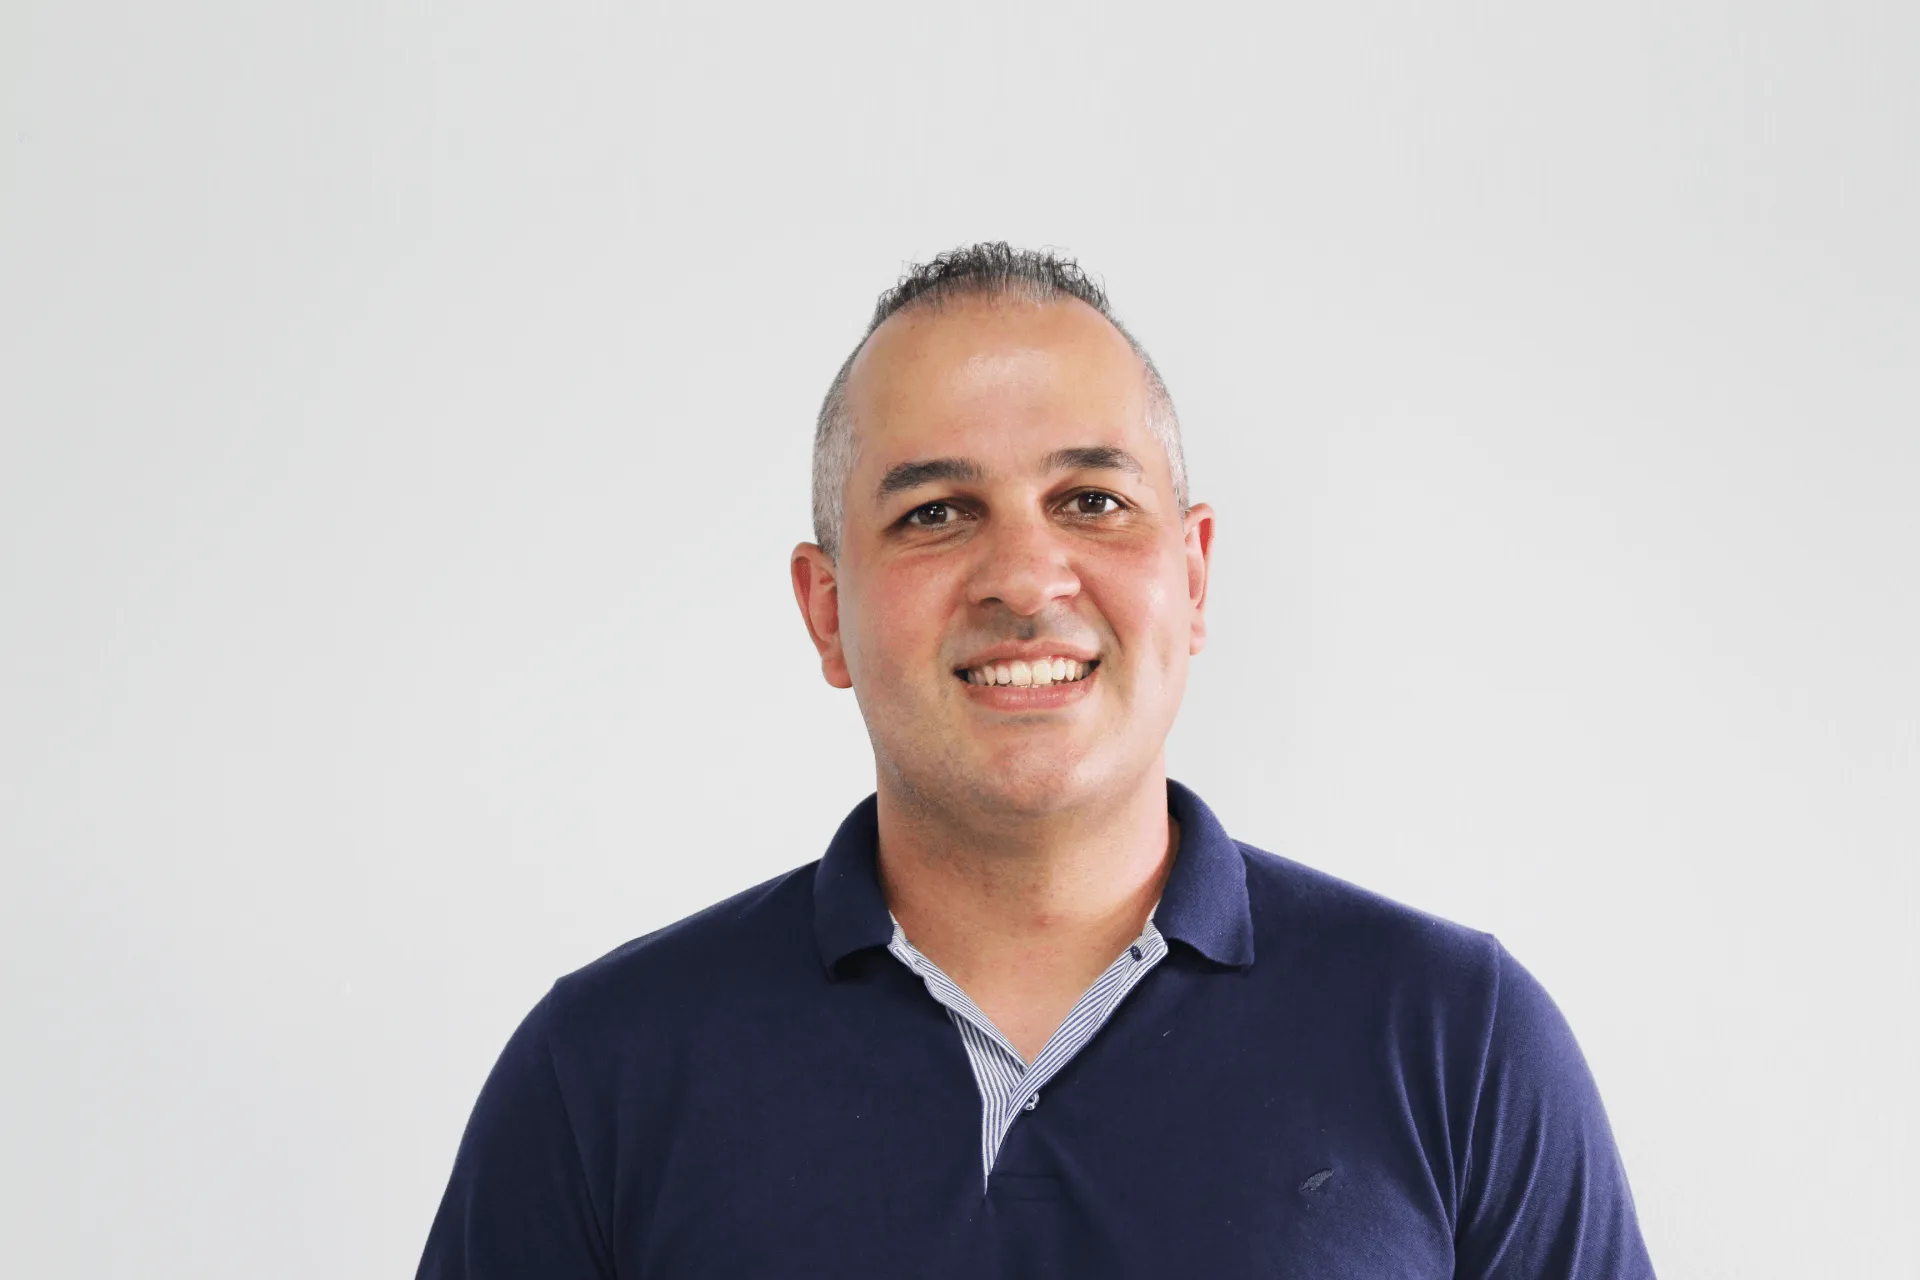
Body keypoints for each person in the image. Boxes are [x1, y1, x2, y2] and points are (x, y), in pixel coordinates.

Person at [415, 243, 1656, 1278]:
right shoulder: (603, 1074)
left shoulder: (1456, 1042)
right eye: (935, 513)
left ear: (1194, 575)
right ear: (826, 609)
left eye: (1092, 501)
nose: (1022, 577)